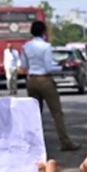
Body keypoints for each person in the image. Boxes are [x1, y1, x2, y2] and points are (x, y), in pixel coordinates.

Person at [21, 21, 79, 152]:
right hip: (45, 80)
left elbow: (24, 65)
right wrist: (60, 66)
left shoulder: (26, 47)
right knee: (57, 113)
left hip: (31, 80)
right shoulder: (46, 46)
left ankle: (33, 144)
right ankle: (65, 142)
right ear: (43, 32)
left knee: (35, 113)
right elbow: (48, 67)